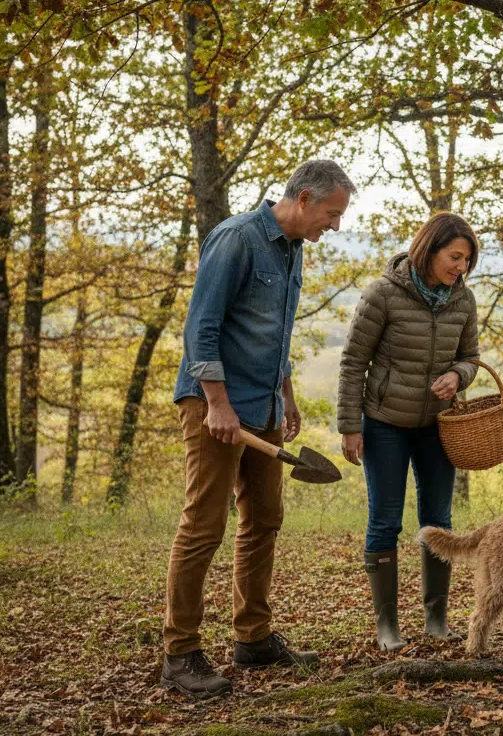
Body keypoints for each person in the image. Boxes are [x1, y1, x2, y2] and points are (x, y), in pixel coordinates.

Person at [161, 160, 356, 697]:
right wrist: (216, 404)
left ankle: (253, 638)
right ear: (306, 198)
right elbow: (202, 325)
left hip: (265, 407)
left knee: (264, 519)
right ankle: (180, 654)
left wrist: (286, 394)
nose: (334, 226)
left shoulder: (291, 250)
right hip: (214, 406)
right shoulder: (236, 239)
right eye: (332, 214)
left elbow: (272, 331)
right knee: (204, 526)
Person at [337, 212, 481, 651]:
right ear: (430, 249)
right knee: (385, 522)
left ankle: (437, 620)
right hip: (384, 425)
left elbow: (472, 357)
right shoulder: (383, 293)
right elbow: (352, 362)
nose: (461, 267)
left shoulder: (463, 300)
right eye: (454, 256)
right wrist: (349, 426)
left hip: (438, 428)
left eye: (467, 260)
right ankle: (387, 626)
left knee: (438, 522)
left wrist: (458, 375)